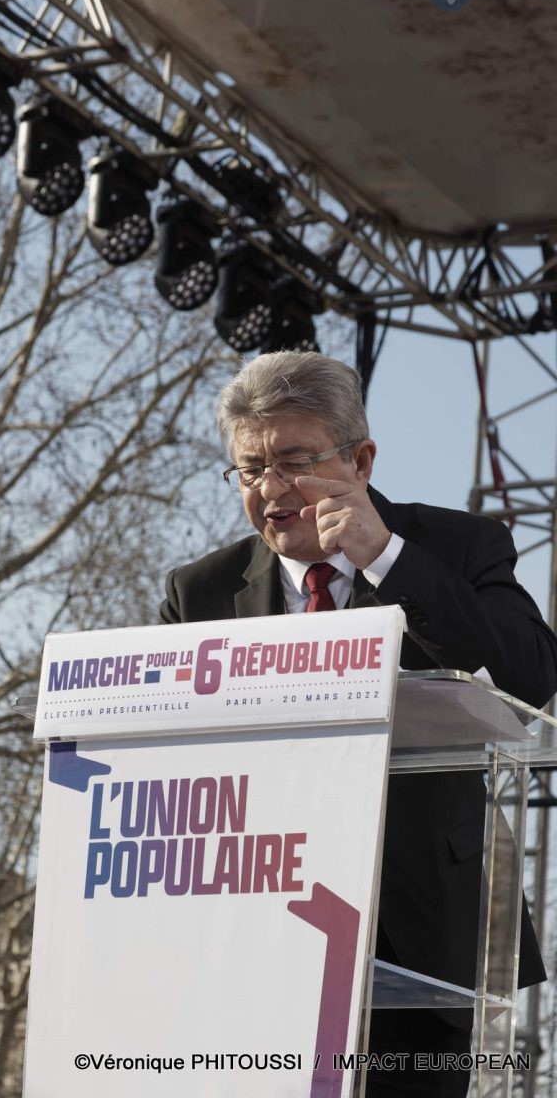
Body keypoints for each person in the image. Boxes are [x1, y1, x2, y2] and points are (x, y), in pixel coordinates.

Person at [160, 350, 557, 1097]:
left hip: (419, 945)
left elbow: (531, 679)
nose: (270, 492)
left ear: (361, 458)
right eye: (249, 470)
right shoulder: (199, 592)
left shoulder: (458, 547)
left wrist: (386, 558)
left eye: (294, 462)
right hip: (251, 943)